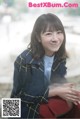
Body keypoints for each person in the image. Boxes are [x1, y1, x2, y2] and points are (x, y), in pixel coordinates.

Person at [11, 13, 80, 118]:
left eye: (59, 32)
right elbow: (23, 95)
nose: (55, 39)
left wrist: (62, 87)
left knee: (75, 98)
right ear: (38, 37)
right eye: (48, 34)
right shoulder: (24, 60)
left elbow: (57, 80)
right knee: (51, 109)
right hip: (20, 105)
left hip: (43, 96)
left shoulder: (59, 56)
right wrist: (55, 90)